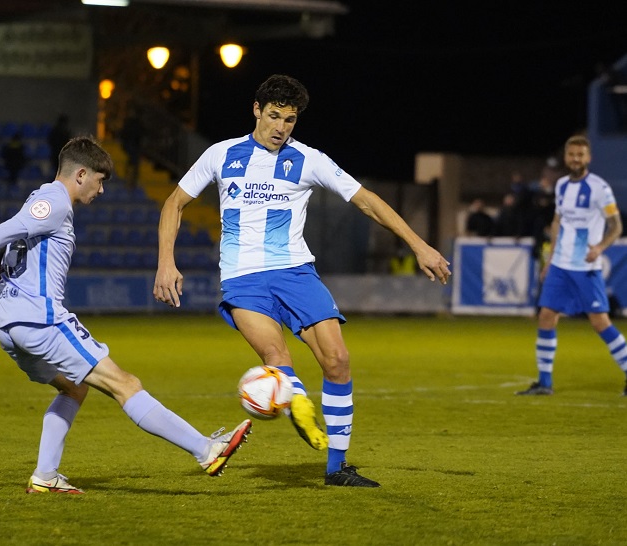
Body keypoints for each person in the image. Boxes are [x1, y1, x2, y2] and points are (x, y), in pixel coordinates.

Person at [153, 74, 451, 488]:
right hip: (243, 279)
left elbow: (366, 200)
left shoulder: (309, 159)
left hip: (296, 272)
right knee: (278, 358)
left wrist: (420, 245)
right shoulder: (221, 155)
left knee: (338, 360)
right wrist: (166, 262)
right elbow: (175, 202)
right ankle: (297, 403)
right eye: (274, 116)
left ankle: (336, 468)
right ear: (256, 110)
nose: (280, 128)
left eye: (290, 120)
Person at [0, 135, 251, 494]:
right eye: (100, 181)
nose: (101, 191)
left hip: (10, 325)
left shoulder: (41, 198)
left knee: (74, 389)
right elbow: (5, 230)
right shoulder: (54, 201)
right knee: (126, 384)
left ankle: (45, 475)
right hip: (40, 320)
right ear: (81, 174)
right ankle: (207, 450)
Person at [517, 135, 627, 396]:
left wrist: (599, 248)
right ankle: (545, 383)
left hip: (586, 268)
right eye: (572, 155)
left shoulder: (599, 188)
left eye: (580, 155)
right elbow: (557, 222)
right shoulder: (562, 185)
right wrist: (551, 258)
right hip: (560, 266)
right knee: (546, 317)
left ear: (588, 158)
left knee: (600, 322)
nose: (575, 159)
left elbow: (616, 225)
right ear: (566, 157)